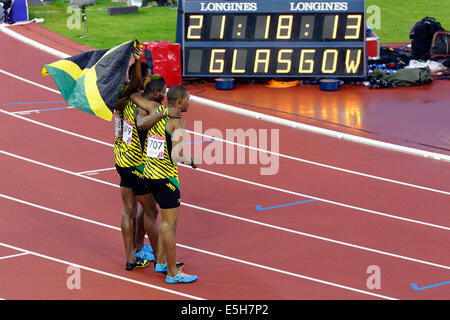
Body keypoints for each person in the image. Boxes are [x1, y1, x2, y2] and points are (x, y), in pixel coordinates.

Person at [137, 85, 198, 283]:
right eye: (188, 99)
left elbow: (141, 125)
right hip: (166, 179)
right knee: (169, 224)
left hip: (148, 174)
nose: (189, 102)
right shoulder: (178, 122)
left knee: (165, 221)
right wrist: (192, 161)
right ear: (180, 102)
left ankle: (162, 261)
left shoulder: (156, 113)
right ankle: (172, 273)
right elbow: (176, 154)